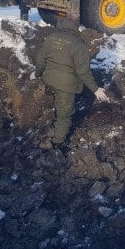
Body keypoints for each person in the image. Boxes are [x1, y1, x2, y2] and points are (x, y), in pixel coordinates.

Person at [35, 16, 109, 150]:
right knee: (65, 116)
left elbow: (41, 59)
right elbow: (83, 72)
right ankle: (57, 144)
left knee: (61, 104)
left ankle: (55, 121)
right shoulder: (78, 44)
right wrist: (95, 89)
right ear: (75, 28)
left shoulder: (52, 38)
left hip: (49, 79)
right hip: (65, 86)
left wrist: (36, 74)